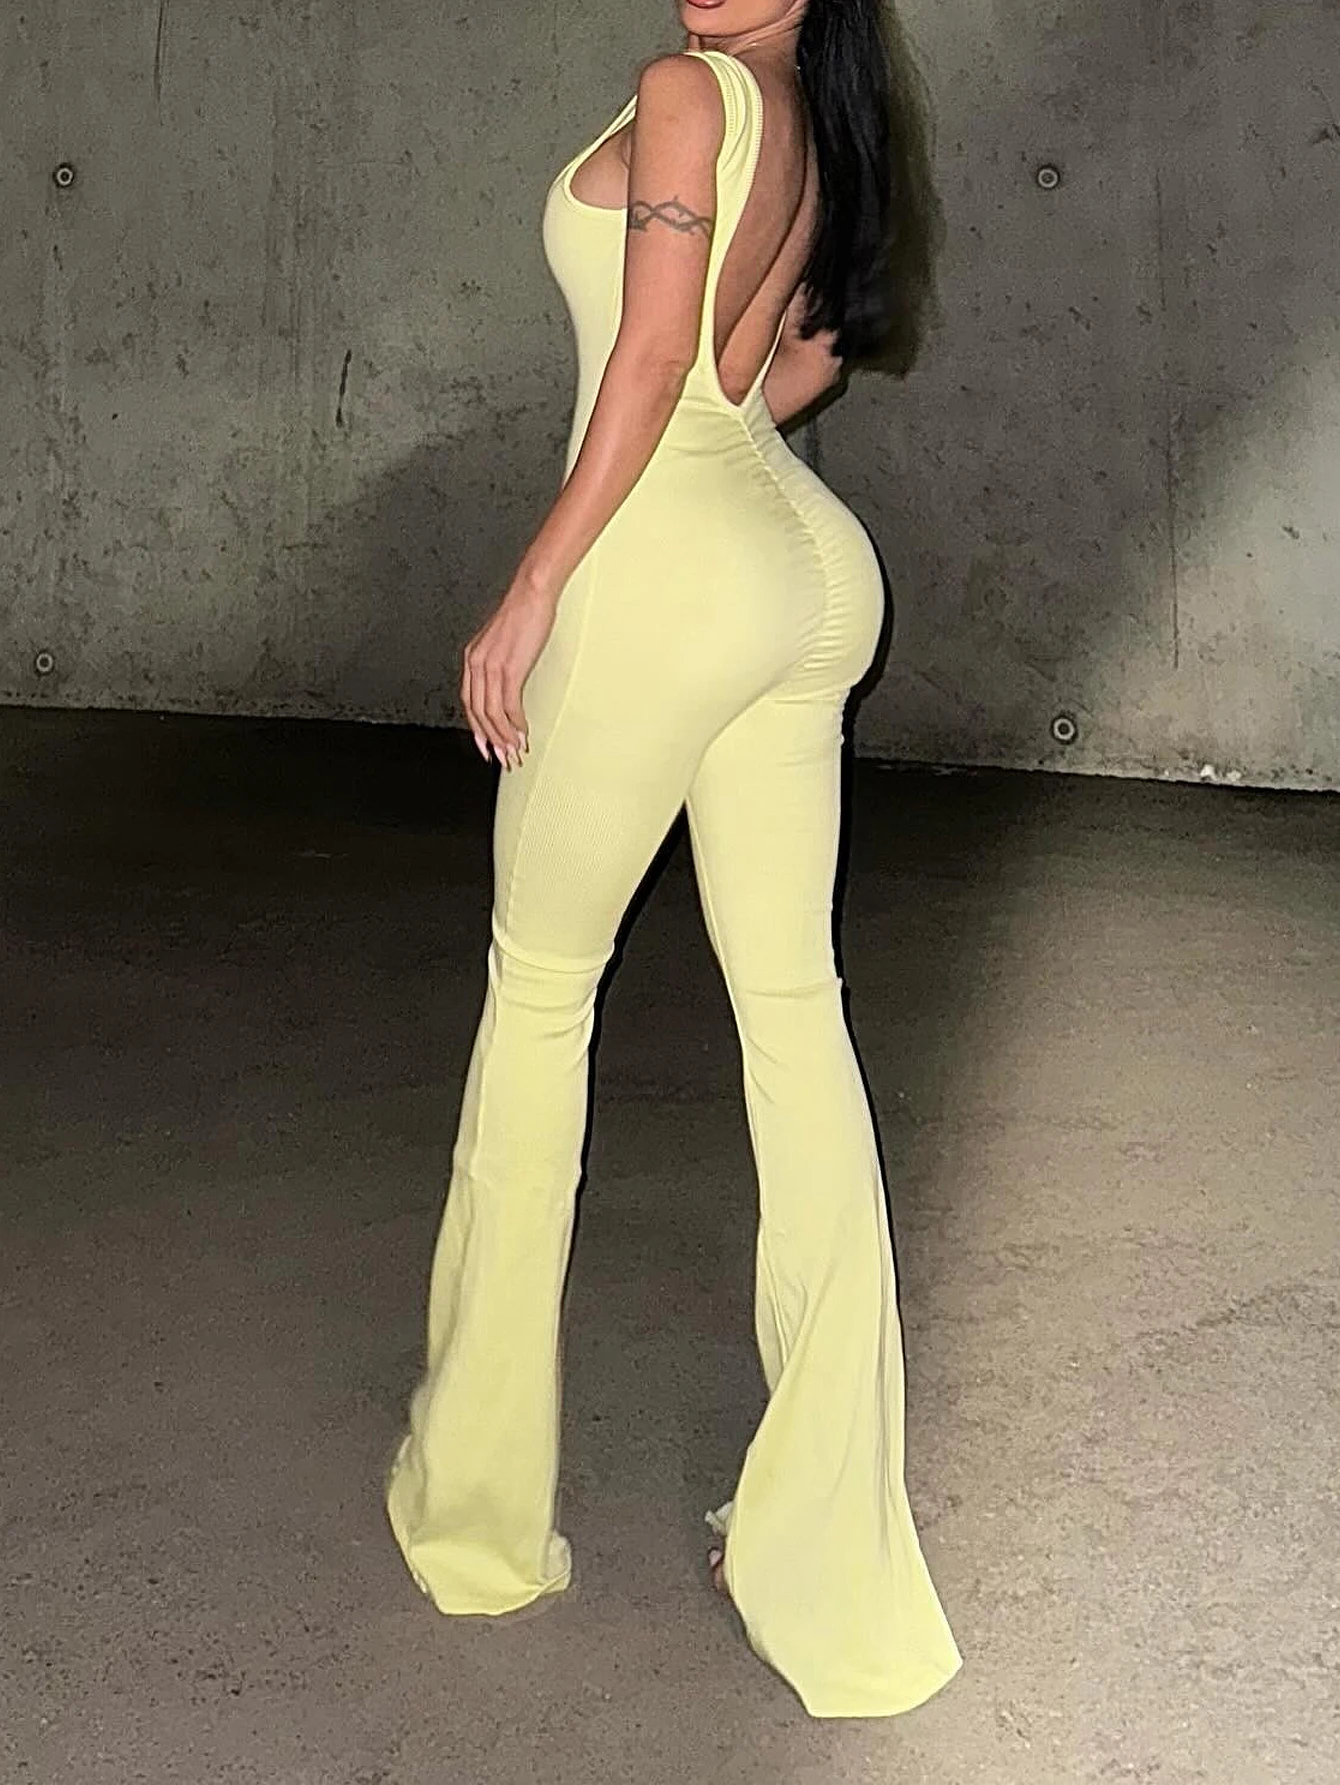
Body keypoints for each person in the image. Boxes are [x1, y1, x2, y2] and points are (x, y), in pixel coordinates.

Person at [383, 0, 962, 1719]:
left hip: (663, 568)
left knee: (538, 1000)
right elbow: (798, 362)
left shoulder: (685, 89)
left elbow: (648, 368)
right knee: (794, 1014)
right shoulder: (822, 105)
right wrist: (716, 455)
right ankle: (825, 1546)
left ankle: (478, 1518)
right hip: (800, 564)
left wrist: (533, 589)